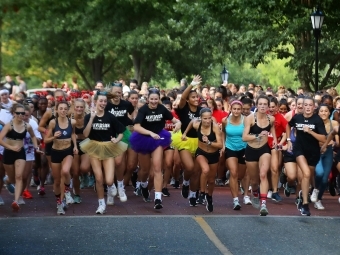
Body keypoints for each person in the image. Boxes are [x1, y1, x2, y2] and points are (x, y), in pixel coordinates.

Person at [130, 88, 181, 209]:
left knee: (157, 168)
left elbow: (175, 120)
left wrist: (177, 124)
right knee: (145, 170)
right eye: (151, 99)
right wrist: (149, 133)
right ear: (148, 99)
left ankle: (158, 198)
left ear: (159, 99)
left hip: (158, 138)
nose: (153, 101)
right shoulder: (143, 110)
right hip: (143, 138)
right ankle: (142, 184)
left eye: (156, 99)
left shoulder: (162, 108)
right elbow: (136, 127)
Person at [81, 91, 127, 214]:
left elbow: (122, 131)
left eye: (105, 101)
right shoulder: (88, 116)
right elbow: (85, 134)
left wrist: (116, 140)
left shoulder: (110, 116)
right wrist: (91, 118)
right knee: (99, 178)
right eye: (100, 101)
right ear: (95, 101)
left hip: (108, 147)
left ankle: (112, 186)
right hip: (94, 147)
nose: (103, 103)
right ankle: (101, 205)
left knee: (109, 181)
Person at [286, 97, 327, 216]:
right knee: (306, 174)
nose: (308, 107)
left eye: (310, 105)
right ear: (302, 106)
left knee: (307, 176)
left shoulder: (317, 120)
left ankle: (301, 196)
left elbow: (323, 138)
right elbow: (289, 126)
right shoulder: (297, 117)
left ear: (314, 107)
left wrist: (310, 132)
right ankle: (305, 204)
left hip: (313, 152)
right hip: (299, 149)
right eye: (306, 105)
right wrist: (289, 140)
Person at [0, 104, 41, 212]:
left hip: (21, 153)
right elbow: (0, 139)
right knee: (12, 178)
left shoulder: (27, 126)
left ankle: (16, 201)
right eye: (18, 113)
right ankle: (7, 181)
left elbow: (33, 136)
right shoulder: (9, 125)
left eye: (22, 113)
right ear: (13, 114)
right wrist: (11, 147)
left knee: (19, 176)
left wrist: (36, 147)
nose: (20, 115)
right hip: (8, 152)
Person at [242, 95, 277, 216]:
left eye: (265, 104)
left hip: (264, 148)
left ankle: (263, 204)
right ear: (256, 105)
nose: (262, 106)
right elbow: (244, 137)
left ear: (268, 106)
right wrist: (257, 135)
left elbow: (272, 129)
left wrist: (275, 141)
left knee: (263, 174)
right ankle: (255, 192)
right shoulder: (250, 119)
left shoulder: (271, 119)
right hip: (251, 149)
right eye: (260, 104)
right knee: (254, 180)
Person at [182, 108, 223, 212]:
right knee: (205, 170)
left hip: (213, 154)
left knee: (211, 180)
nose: (208, 121)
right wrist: (185, 133)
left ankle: (209, 197)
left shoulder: (215, 128)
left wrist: (209, 142)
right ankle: (202, 193)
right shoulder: (197, 124)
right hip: (201, 153)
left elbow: (220, 145)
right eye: (205, 118)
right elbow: (191, 122)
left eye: (209, 118)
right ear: (201, 118)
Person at [171, 75, 202, 206]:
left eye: (197, 97)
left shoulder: (202, 110)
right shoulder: (183, 108)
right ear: (188, 100)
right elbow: (182, 97)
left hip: (199, 142)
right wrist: (192, 84)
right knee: (189, 167)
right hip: (184, 139)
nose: (196, 99)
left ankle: (193, 194)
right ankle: (185, 181)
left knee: (196, 171)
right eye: (193, 97)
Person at [44, 99, 78, 215]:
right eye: (61, 109)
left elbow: (73, 133)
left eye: (65, 109)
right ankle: (59, 203)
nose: (63, 111)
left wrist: (75, 146)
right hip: (55, 151)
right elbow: (46, 139)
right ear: (57, 110)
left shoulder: (72, 122)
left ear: (68, 110)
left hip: (68, 150)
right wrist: (54, 137)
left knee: (65, 171)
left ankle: (67, 191)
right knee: (57, 181)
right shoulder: (53, 123)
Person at [105, 82, 136, 203]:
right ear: (111, 93)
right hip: (109, 134)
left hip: (124, 133)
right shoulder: (106, 105)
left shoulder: (126, 104)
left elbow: (132, 112)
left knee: (124, 163)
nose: (117, 94)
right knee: (114, 162)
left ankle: (120, 185)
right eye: (115, 92)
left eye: (119, 92)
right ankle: (111, 187)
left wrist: (130, 123)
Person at [222, 100, 249, 209]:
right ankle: (235, 200)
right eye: (234, 109)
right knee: (234, 173)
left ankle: (244, 193)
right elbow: (223, 132)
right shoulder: (225, 120)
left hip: (244, 148)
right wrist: (223, 145)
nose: (236, 111)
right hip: (230, 148)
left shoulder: (246, 120)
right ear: (231, 109)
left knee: (241, 175)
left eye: (238, 109)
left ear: (241, 110)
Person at [313, 104, 338, 209]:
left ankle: (318, 199)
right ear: (318, 113)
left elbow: (337, 141)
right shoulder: (314, 123)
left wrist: (334, 143)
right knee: (319, 173)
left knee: (325, 179)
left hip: (328, 152)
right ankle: (315, 189)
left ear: (329, 112)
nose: (323, 113)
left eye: (326, 111)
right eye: (321, 111)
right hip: (316, 152)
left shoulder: (334, 123)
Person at [267, 97, 287, 202]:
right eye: (269, 106)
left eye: (273, 107)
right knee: (265, 170)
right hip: (262, 145)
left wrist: (281, 142)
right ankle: (265, 189)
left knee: (275, 168)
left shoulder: (280, 117)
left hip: (274, 146)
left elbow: (288, 129)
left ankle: (274, 191)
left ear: (277, 107)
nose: (271, 109)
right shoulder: (262, 115)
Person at [71, 99, 91, 204]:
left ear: (84, 108)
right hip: (74, 145)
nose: (79, 109)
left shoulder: (88, 117)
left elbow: (89, 133)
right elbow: (71, 133)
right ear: (74, 107)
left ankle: (86, 175)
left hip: (86, 143)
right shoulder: (70, 116)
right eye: (77, 107)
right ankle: (77, 194)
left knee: (84, 168)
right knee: (75, 172)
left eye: (81, 107)